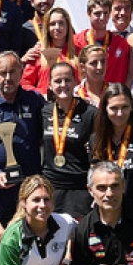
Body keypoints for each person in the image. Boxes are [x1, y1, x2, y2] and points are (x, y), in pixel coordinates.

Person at [0, 51, 44, 225]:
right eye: (2, 73)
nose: (7, 77)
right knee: (0, 239)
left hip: (30, 187)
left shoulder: (35, 101)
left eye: (12, 72)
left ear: (21, 72)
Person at [41, 61, 96, 219]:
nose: (63, 84)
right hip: (51, 187)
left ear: (76, 82)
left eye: (67, 80)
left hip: (79, 189)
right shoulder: (44, 112)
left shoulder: (90, 113)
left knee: (78, 239)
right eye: (57, 81)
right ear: (50, 84)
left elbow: (98, 153)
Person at [73, 0, 133, 87]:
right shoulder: (76, 42)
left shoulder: (121, 43)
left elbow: (130, 73)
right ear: (88, 14)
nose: (102, 17)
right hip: (85, 97)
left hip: (113, 97)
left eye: (105, 13)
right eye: (97, 14)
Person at [21, 6, 80, 98]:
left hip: (73, 105)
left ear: (68, 26)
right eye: (52, 24)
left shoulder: (79, 52)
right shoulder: (38, 51)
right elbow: (25, 84)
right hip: (45, 105)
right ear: (47, 27)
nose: (57, 27)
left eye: (61, 23)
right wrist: (41, 94)